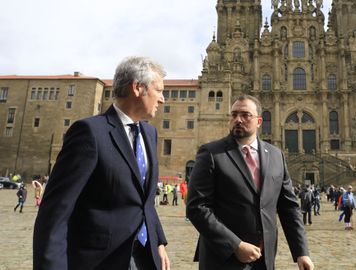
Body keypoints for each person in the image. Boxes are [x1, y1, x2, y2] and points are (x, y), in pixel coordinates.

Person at [33, 56, 170, 270]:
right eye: (159, 90)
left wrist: (158, 241)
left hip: (145, 257)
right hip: (101, 261)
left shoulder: (150, 134)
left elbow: (145, 201)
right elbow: (55, 213)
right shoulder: (89, 133)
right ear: (137, 88)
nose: (162, 99)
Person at [186, 95, 314, 270]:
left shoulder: (276, 155)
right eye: (234, 115)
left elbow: (289, 207)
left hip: (264, 260)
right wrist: (235, 245)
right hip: (223, 259)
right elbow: (197, 208)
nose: (238, 119)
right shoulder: (211, 153)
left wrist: (301, 251)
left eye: (245, 115)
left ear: (259, 121)